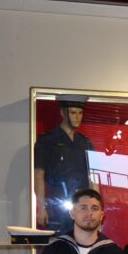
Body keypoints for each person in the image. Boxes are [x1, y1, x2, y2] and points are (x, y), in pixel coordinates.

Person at [34, 94, 95, 233]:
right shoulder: (47, 140)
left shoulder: (85, 142)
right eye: (73, 112)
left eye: (80, 113)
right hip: (58, 205)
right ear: (62, 112)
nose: (77, 117)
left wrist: (96, 206)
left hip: (83, 206)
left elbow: (94, 176)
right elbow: (38, 174)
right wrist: (41, 207)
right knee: (59, 247)